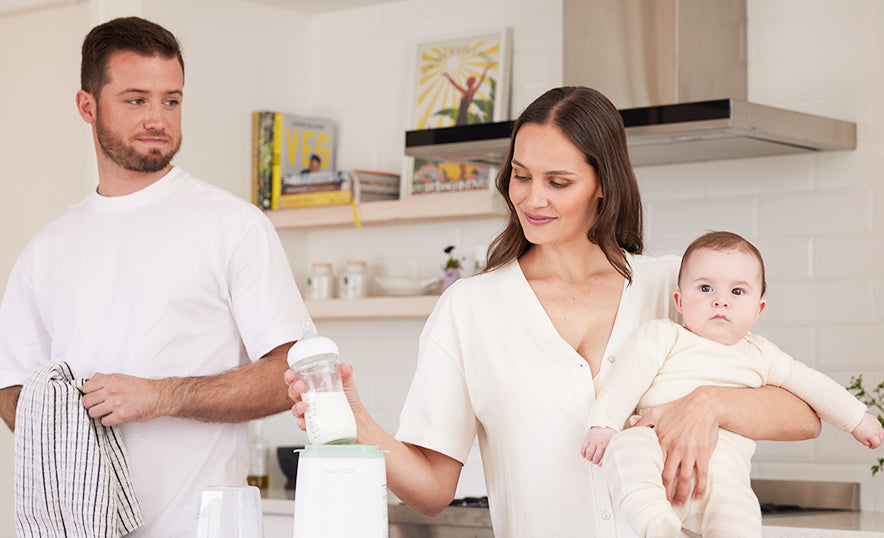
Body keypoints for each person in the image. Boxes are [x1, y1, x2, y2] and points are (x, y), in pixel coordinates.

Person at [284, 86, 821, 537]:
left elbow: (805, 414)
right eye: (521, 176)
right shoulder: (471, 309)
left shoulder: (676, 286)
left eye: (558, 182)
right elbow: (431, 490)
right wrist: (357, 422)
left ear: (604, 184)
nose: (532, 198)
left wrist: (710, 404)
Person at [0, 17, 313, 537]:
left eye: (171, 100)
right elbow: (11, 388)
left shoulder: (232, 225)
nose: (157, 119)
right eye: (135, 100)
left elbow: (290, 374)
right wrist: (67, 438)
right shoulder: (45, 251)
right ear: (87, 106)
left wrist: (162, 396)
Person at [580, 231, 884, 537]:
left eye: (737, 292)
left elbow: (814, 386)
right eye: (705, 288)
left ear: (758, 310)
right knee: (624, 446)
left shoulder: (762, 354)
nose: (720, 301)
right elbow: (628, 375)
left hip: (724, 473)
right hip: (655, 449)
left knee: (739, 512)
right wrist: (604, 423)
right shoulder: (663, 335)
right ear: (680, 300)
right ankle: (655, 524)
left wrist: (857, 418)